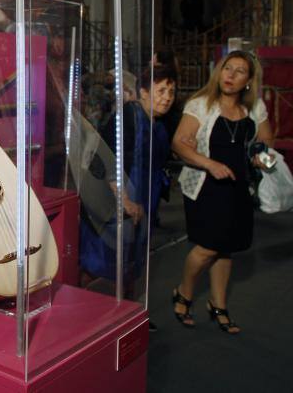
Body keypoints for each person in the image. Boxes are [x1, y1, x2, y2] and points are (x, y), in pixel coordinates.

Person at [171, 50, 272, 334]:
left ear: (249, 80)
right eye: (228, 68)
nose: (231, 75)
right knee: (207, 247)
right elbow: (179, 143)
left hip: (239, 186)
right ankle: (184, 293)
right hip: (205, 186)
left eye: (240, 71)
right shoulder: (201, 104)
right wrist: (210, 164)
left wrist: (260, 157)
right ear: (219, 72)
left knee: (226, 249)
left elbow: (266, 141)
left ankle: (219, 305)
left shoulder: (255, 109)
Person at [79, 65, 176, 290]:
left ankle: (129, 310)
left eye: (171, 92)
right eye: (161, 91)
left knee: (133, 259)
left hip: (146, 196)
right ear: (143, 92)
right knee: (103, 260)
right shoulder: (129, 117)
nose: (167, 98)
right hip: (118, 198)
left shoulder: (158, 123)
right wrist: (124, 201)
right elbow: (108, 162)